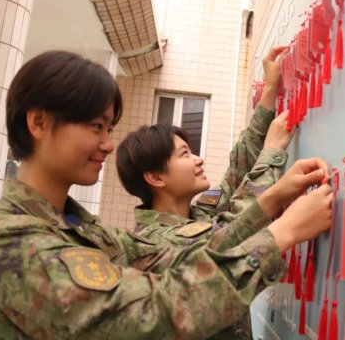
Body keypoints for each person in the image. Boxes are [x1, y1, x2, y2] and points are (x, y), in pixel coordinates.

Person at [0, 50, 334, 339]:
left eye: (108, 129)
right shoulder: (14, 244)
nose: (107, 144)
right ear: (39, 122)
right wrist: (282, 234)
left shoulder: (80, 228)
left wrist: (270, 200)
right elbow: (149, 316)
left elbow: (190, 255)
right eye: (97, 127)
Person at [116, 46, 293, 338]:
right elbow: (235, 227)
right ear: (156, 177)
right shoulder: (157, 244)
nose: (198, 159)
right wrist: (272, 152)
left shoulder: (195, 215)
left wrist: (270, 91)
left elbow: (238, 170)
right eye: (185, 154)